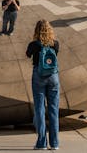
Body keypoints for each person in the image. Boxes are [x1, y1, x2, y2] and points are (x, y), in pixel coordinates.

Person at [26, 20, 60, 150]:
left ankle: (41, 143)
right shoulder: (55, 44)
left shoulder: (34, 44)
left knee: (39, 109)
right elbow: (55, 55)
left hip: (39, 76)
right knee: (53, 110)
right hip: (53, 77)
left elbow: (28, 55)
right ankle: (55, 143)